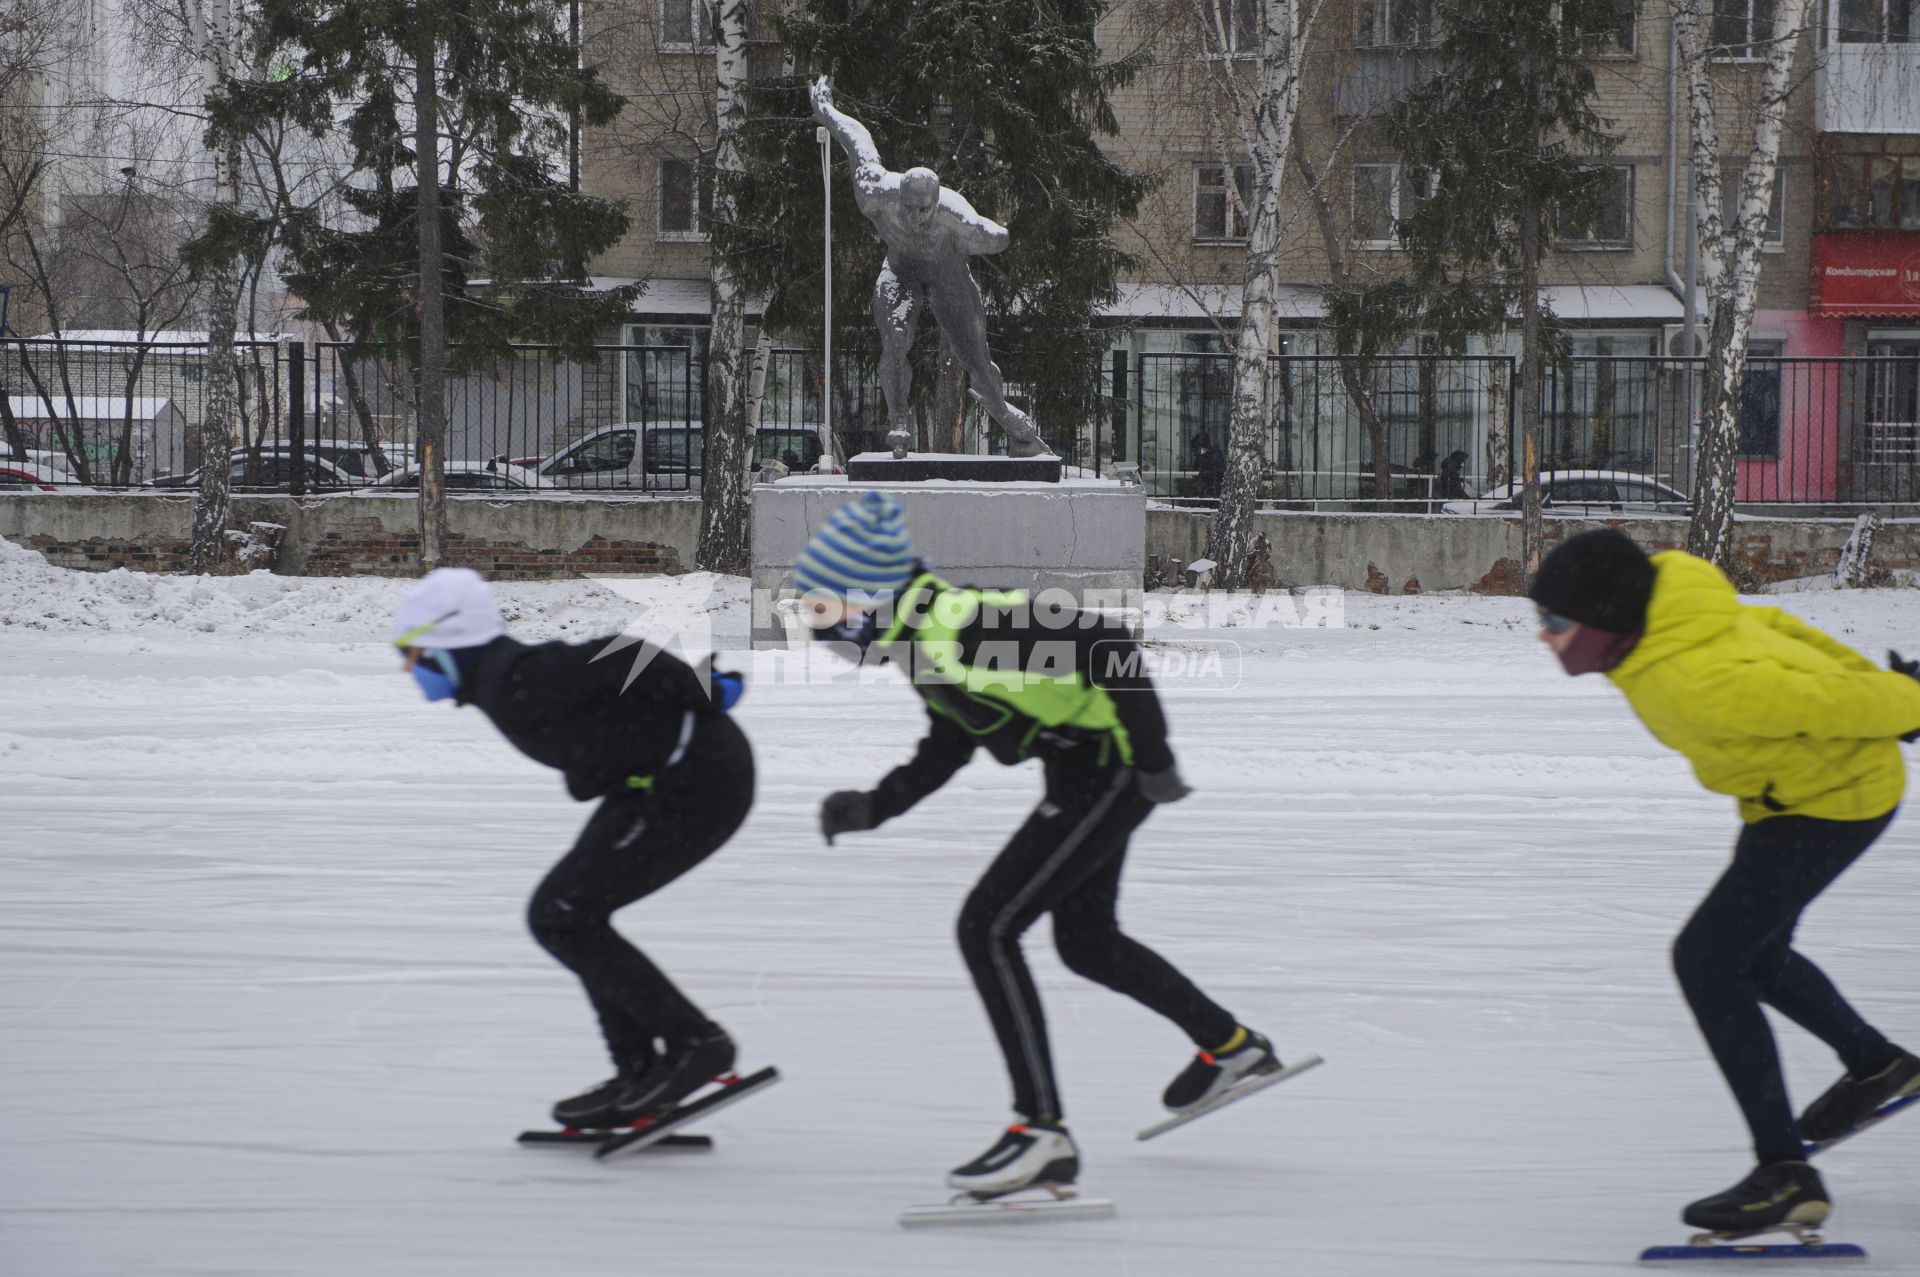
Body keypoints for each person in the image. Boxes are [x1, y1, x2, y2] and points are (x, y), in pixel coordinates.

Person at [796, 491, 1280, 1197]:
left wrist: (1153, 758)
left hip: (1110, 772)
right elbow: (950, 742)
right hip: (1085, 771)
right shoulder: (921, 644)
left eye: (822, 610)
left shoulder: (960, 628)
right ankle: (1233, 1048)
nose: (817, 630)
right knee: (1085, 942)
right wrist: (876, 805)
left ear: (866, 594)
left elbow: (1107, 644)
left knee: (986, 927)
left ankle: (1040, 1131)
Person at [1528, 529, 1920, 1236]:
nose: (1543, 636)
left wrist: (1904, 702)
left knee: (1708, 961)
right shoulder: (1675, 613)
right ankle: (1877, 1065)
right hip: (1791, 796)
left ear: (1604, 620)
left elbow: (1825, 699)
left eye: (1555, 622)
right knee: (1751, 955)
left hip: (1832, 800)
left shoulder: (1692, 677)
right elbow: (1780, 629)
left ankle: (1785, 1173)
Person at [391, 568, 753, 1130]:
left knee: (563, 917)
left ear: (446, 645)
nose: (406, 668)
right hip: (651, 785)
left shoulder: (519, 677)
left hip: (699, 784)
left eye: (410, 652)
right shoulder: (497, 682)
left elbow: (627, 652)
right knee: (570, 915)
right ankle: (638, 1071)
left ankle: (695, 1045)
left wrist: (703, 690)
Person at [810, 76, 1047, 460]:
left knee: (977, 360)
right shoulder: (875, 193)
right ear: (899, 197)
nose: (918, 217)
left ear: (937, 204)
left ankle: (1009, 419)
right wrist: (828, 112)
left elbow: (996, 236)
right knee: (896, 338)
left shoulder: (958, 218)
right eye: (910, 208)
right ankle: (900, 422)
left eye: (926, 210)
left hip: (949, 278)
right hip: (900, 273)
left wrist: (1001, 236)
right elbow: (858, 141)